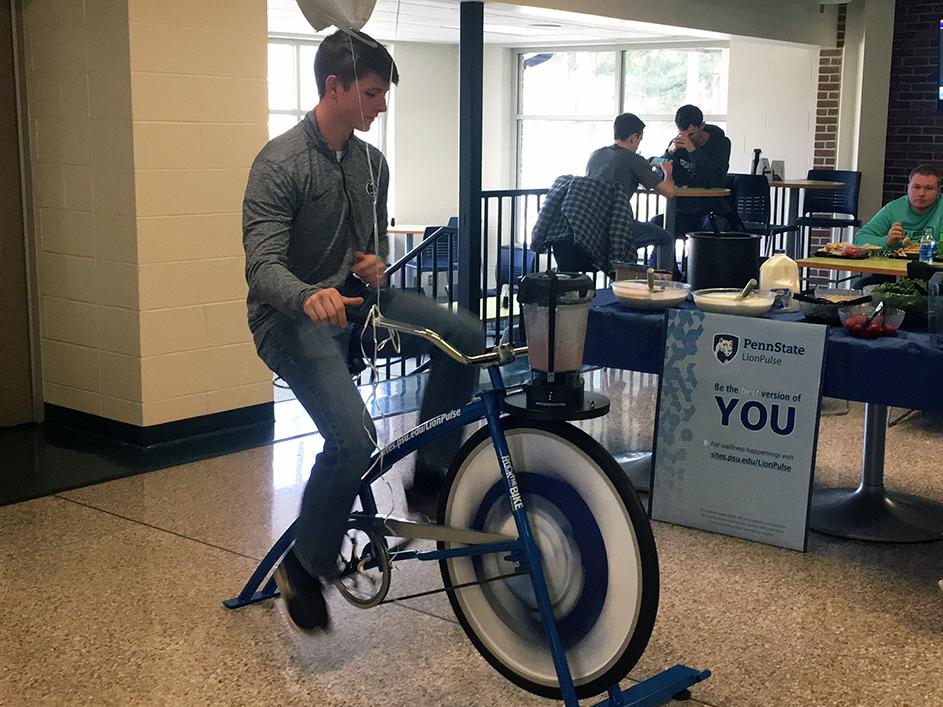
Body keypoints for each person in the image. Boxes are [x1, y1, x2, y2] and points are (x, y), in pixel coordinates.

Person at [242, 29, 483, 633]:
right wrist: (309, 295)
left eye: (382, 95)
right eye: (373, 93)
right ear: (334, 88)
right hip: (290, 318)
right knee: (353, 440)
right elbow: (262, 267)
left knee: (468, 336)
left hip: (358, 307)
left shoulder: (371, 162)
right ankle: (304, 565)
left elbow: (364, 252)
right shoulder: (279, 164)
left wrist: (368, 262)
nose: (381, 105)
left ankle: (430, 474)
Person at [585, 113, 677, 270]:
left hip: (590, 225)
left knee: (617, 251)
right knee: (666, 238)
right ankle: (662, 283)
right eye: (639, 140)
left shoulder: (596, 154)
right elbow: (669, 192)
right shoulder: (634, 160)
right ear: (633, 137)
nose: (638, 145)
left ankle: (619, 279)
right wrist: (668, 172)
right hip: (618, 226)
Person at [650, 104, 734, 240]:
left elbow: (714, 180)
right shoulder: (677, 144)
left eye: (691, 134)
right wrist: (669, 154)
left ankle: (695, 262)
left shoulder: (721, 144)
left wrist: (693, 151)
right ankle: (665, 262)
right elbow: (665, 177)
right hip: (682, 209)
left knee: (713, 226)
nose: (687, 139)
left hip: (711, 209)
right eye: (682, 134)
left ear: (702, 125)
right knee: (658, 224)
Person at [853, 164, 943, 249]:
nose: (921, 193)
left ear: (938, 191)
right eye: (916, 187)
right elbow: (859, 238)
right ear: (908, 188)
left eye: (929, 188)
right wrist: (887, 241)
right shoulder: (894, 208)